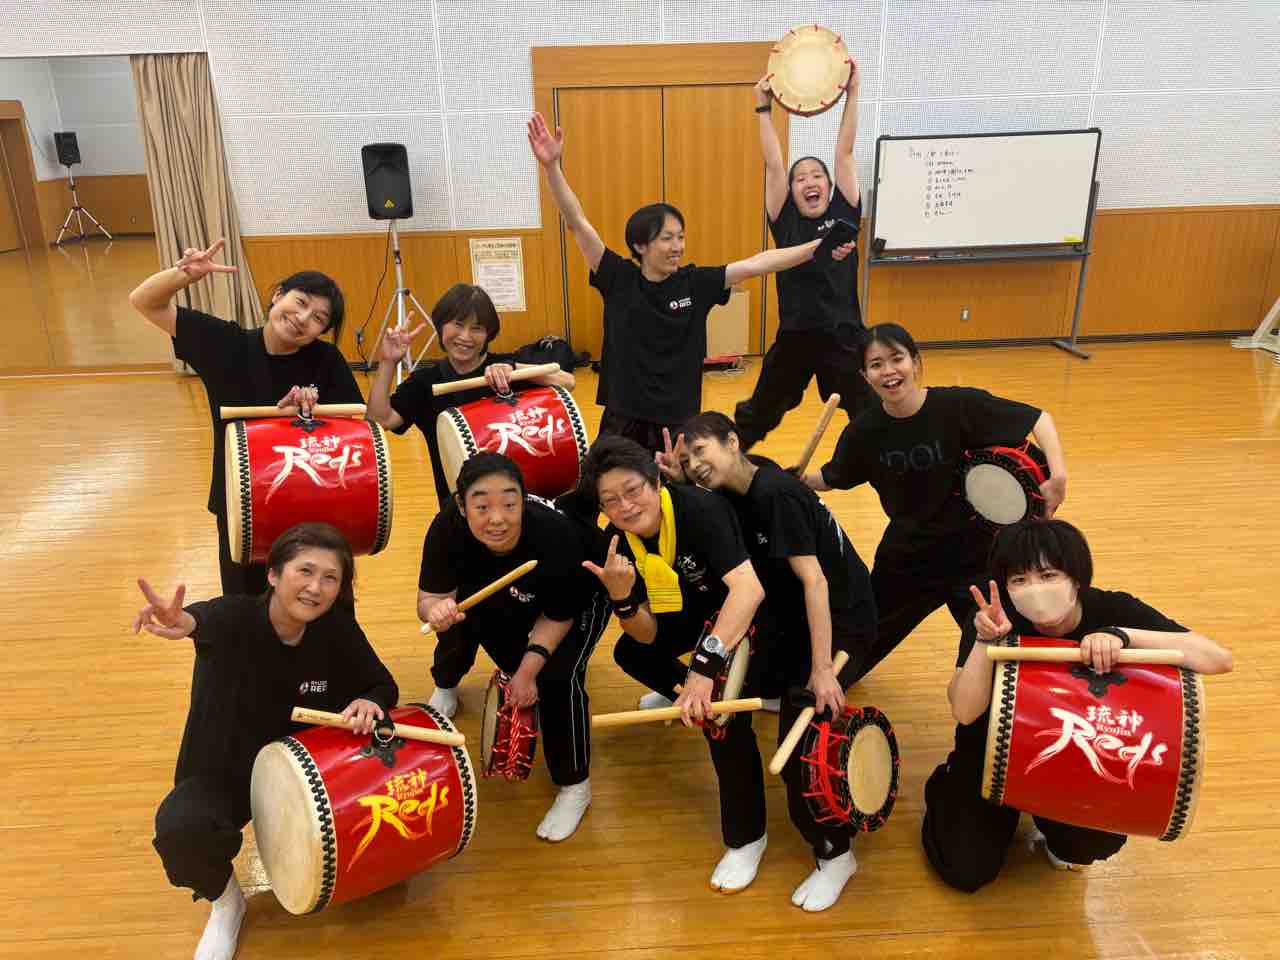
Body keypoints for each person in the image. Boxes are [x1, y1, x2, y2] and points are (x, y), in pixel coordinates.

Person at [923, 518, 1232, 890]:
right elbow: (964, 711)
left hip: (1075, 757)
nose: (1035, 589)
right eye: (1019, 580)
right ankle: (949, 786)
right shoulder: (995, 618)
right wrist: (984, 642)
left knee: (1093, 841)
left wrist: (1123, 636)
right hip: (992, 756)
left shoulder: (1111, 608)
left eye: (1048, 575)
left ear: (1076, 578)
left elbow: (1218, 659)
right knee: (965, 870)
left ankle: (1054, 828)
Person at [139, 522, 398, 960]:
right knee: (182, 829)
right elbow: (200, 621)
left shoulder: (336, 630)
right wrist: (181, 622)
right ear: (274, 574)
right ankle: (227, 904)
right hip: (224, 774)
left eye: (330, 578)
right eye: (305, 571)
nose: (315, 587)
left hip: (304, 774)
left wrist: (368, 701)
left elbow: (382, 685)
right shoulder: (235, 619)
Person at [527, 111, 855, 456]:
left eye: (681, 237)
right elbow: (577, 221)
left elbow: (757, 264)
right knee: (601, 482)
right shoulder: (617, 277)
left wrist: (818, 246)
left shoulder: (695, 283)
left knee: (689, 488)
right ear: (640, 245)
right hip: (624, 418)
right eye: (667, 238)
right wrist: (552, 167)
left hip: (678, 422)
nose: (678, 246)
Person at [673, 411, 878, 911]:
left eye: (700, 452)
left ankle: (836, 855)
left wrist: (823, 669)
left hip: (840, 623)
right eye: (685, 460)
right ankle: (746, 836)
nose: (694, 465)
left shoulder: (775, 493)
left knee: (801, 747)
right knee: (724, 714)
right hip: (785, 620)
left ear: (732, 441)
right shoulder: (731, 491)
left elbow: (816, 581)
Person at [799, 323, 1068, 680]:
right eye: (876, 364)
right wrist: (798, 481)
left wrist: (1058, 476)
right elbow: (834, 476)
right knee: (851, 652)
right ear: (865, 376)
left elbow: (1038, 419)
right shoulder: (864, 432)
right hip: (909, 558)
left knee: (996, 662)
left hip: (976, 558)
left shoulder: (958, 406)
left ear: (915, 361)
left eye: (897, 359)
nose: (889, 371)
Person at [580, 435, 775, 892]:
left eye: (633, 490)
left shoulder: (700, 510)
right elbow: (646, 635)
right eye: (611, 500)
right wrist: (622, 598)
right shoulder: (617, 544)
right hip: (691, 612)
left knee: (723, 719)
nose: (625, 506)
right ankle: (688, 697)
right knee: (630, 653)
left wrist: (704, 670)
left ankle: (747, 838)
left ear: (655, 481)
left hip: (749, 615)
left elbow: (749, 590)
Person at [128, 239, 363, 595]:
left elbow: (356, 431)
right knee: (245, 607)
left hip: (312, 504)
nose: (303, 319)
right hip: (242, 503)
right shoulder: (226, 343)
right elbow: (144, 301)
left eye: (318, 318)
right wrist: (183, 275)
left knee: (320, 603)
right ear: (278, 295)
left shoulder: (326, 360)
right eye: (300, 302)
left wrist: (311, 417)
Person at [418, 453, 609, 841]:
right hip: (507, 586)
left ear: (523, 500)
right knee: (456, 615)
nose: (497, 519)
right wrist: (436, 610)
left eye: (509, 504)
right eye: (482, 507)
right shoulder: (447, 527)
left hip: (580, 596)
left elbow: (558, 615)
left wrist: (526, 673)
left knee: (558, 678)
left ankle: (575, 784)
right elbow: (429, 597)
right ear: (461, 506)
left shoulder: (555, 534)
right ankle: (446, 683)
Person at [734, 62, 876, 450]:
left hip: (844, 335)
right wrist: (763, 108)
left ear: (830, 186)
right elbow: (773, 164)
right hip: (795, 336)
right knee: (759, 413)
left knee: (869, 412)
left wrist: (853, 92)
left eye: (817, 176)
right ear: (792, 190)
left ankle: (884, 464)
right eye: (800, 178)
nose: (809, 181)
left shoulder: (844, 212)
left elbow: (844, 152)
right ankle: (728, 463)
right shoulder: (786, 219)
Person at [367, 283, 575, 510]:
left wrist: (514, 368)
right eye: (457, 324)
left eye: (477, 328)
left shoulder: (505, 369)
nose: (465, 337)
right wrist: (388, 361)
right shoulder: (425, 382)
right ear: (441, 325)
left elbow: (567, 381)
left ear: (488, 335)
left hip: (517, 506)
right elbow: (380, 420)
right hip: (459, 509)